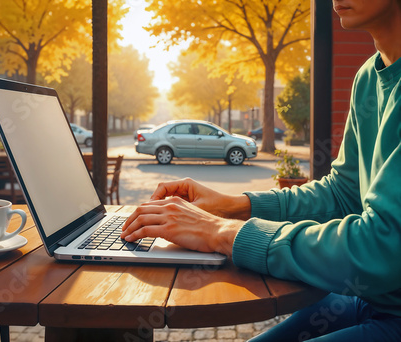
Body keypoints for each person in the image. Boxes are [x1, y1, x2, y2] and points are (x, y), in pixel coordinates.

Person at [121, 0, 401, 340]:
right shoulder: (369, 77)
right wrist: (232, 205)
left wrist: (222, 232)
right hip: (373, 299)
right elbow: (343, 193)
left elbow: (384, 247)